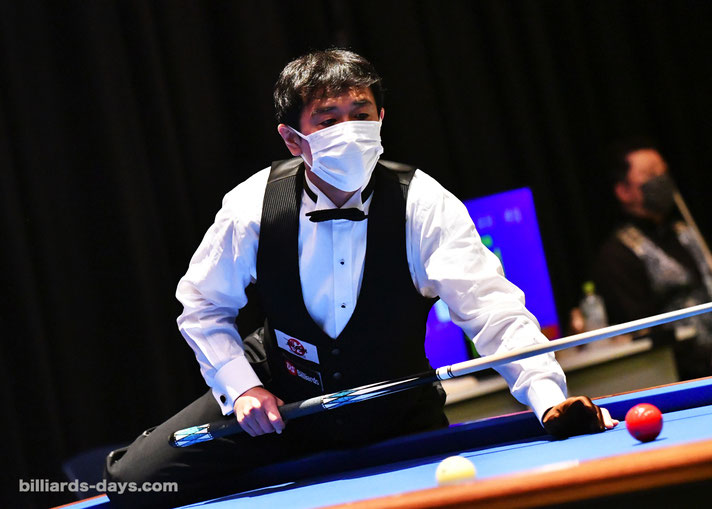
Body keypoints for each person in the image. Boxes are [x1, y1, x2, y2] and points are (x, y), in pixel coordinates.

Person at [104, 49, 616, 508]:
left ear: (381, 119)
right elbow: (201, 307)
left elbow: (493, 311)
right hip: (283, 405)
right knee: (132, 483)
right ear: (293, 139)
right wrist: (242, 389)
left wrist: (549, 399)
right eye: (329, 120)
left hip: (394, 406)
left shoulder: (425, 203)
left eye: (361, 114)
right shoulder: (250, 207)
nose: (349, 130)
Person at [593, 138, 712, 380]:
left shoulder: (685, 232)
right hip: (682, 374)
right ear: (623, 191)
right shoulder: (617, 255)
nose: (661, 179)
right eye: (649, 174)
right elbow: (646, 334)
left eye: (663, 172)